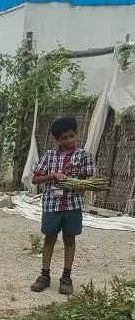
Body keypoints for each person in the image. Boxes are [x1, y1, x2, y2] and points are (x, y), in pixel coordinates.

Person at [30, 117, 94, 295]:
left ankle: (66, 277)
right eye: (64, 138)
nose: (69, 141)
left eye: (72, 136)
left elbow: (87, 182)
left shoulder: (84, 155)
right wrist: (52, 176)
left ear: (76, 134)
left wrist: (77, 184)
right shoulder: (49, 156)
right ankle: (44, 275)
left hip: (72, 205)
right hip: (52, 205)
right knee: (49, 238)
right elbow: (35, 179)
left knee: (69, 239)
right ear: (57, 140)